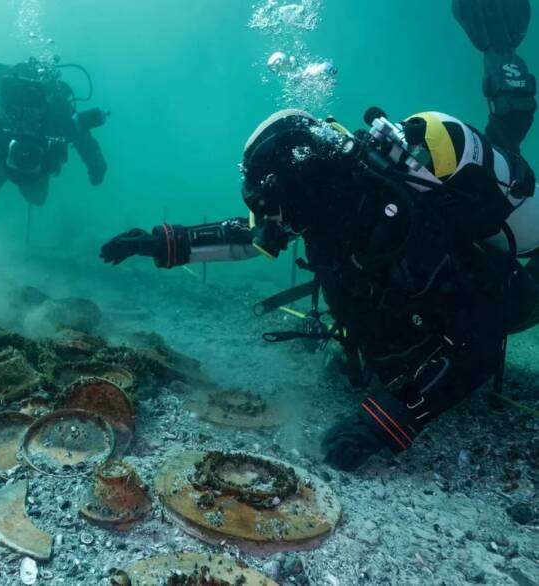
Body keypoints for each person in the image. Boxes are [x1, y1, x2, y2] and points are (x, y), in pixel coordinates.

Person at [100, 0, 537, 471]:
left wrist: (390, 421)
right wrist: (158, 241)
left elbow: (483, 337)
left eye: (276, 209)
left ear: (304, 191)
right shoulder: (315, 205)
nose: (276, 224)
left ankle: (503, 67)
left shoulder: (402, 214)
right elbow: (247, 237)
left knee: (515, 298)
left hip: (511, 291)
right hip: (414, 330)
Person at [0, 57, 108, 206]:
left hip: (37, 161)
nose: (31, 98)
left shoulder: (57, 109)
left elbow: (81, 134)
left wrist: (96, 166)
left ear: (52, 89)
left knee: (37, 199)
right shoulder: (4, 106)